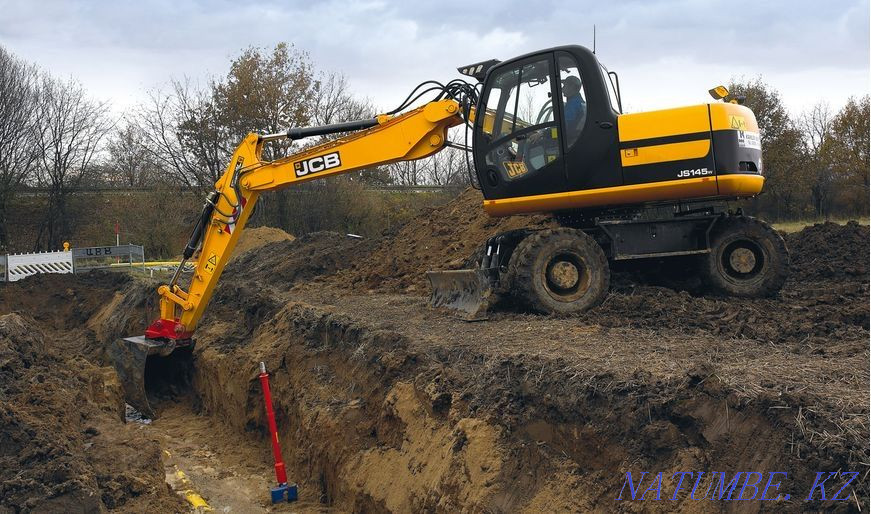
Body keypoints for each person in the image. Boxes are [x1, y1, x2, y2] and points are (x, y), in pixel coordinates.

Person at [561, 75, 586, 142]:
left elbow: (563, 126)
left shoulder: (573, 104)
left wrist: (544, 133)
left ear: (571, 87)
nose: (562, 89)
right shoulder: (580, 102)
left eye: (564, 86)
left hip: (570, 141)